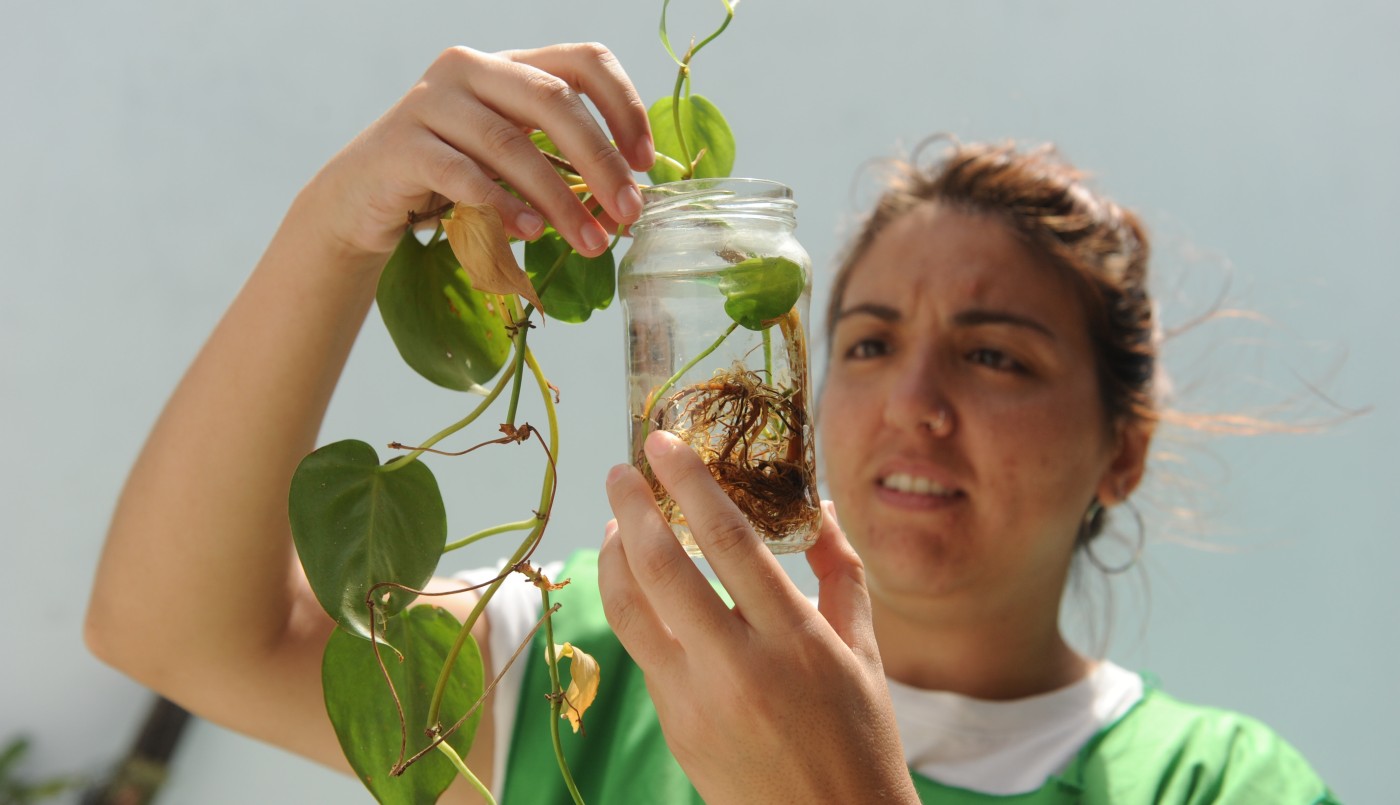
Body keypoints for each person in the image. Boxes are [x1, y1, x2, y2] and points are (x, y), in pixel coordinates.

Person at [84, 43, 1336, 804]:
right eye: (866, 342)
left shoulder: (1216, 784)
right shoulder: (603, 658)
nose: (912, 402)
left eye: (994, 355)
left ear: (1122, 444)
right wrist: (339, 224)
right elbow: (178, 630)